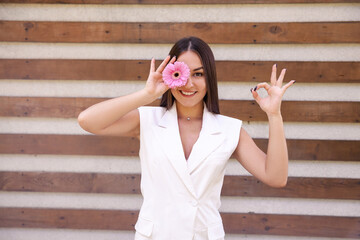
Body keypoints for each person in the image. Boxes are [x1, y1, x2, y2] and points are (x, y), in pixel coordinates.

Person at [78, 36, 295, 240]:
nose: (188, 84)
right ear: (169, 75)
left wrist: (274, 115)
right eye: (180, 73)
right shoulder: (147, 120)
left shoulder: (229, 129)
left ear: (210, 78)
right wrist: (147, 94)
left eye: (198, 74)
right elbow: (87, 121)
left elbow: (276, 177)